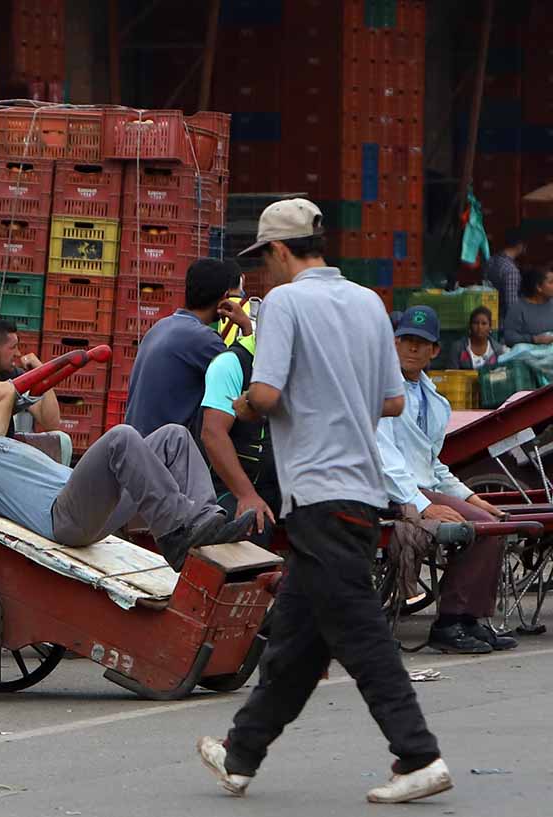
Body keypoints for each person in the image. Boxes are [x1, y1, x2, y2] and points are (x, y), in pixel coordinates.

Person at [197, 198, 450, 804]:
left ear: (281, 251)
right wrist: (335, 392)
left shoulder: (284, 303)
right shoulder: (367, 302)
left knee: (359, 632)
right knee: (297, 636)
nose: (264, 274)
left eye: (264, 261)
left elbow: (265, 390)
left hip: (317, 491)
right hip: (361, 493)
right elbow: (390, 401)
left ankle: (418, 755)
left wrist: (245, 408)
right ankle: (241, 755)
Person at [0, 381, 254, 571]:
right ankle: (178, 534)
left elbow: (6, 392)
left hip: (88, 507)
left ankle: (203, 526)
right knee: (121, 438)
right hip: (63, 519)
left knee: (173, 436)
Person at [377, 306, 515, 653]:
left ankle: (470, 618)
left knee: (490, 523)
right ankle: (451, 620)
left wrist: (471, 497)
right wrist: (424, 507)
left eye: (421, 343)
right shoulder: (381, 391)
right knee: (481, 528)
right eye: (406, 340)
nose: (412, 349)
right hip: (391, 490)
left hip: (422, 487)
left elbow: (433, 464)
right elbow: (385, 461)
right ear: (393, 343)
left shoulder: (434, 399)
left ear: (434, 350)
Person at [124, 258, 252, 436]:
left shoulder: (159, 327)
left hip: (135, 443)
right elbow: (246, 386)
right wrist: (246, 327)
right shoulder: (205, 340)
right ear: (224, 299)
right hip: (165, 452)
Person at [198, 333, 279, 547]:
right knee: (253, 524)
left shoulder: (293, 365)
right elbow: (213, 434)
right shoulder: (231, 363)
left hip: (276, 487)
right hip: (223, 488)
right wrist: (246, 494)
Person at [501, 263, 553, 346]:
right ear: (538, 287)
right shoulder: (518, 308)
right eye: (551, 282)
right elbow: (509, 337)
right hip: (528, 357)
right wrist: (534, 339)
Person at [484, 227, 525, 321]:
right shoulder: (511, 270)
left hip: (488, 317)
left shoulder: (491, 260)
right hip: (503, 322)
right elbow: (511, 305)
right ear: (519, 245)